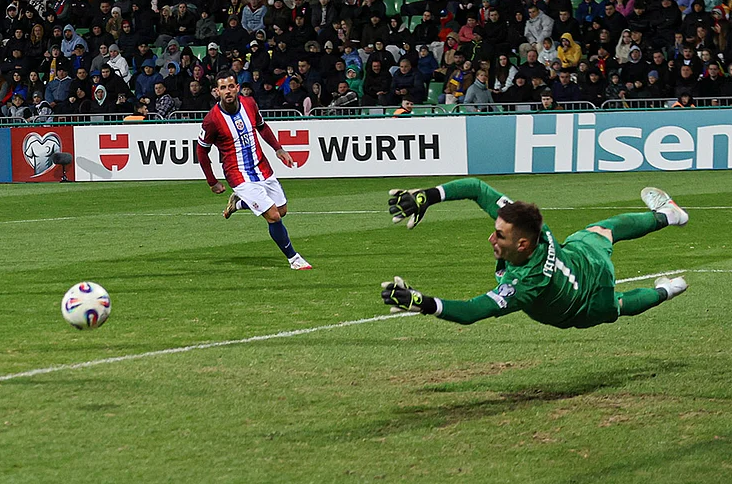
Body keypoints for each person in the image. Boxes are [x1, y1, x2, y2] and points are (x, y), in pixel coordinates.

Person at [382, 179, 689, 328]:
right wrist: (427, 196)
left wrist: (421, 303)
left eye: (500, 235)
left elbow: (472, 311)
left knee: (619, 304)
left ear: (523, 245)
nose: (491, 237)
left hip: (584, 306)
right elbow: (476, 188)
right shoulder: (534, 228)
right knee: (604, 230)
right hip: (581, 258)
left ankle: (666, 290)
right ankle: (668, 216)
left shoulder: (524, 284)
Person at [196, 70, 312, 271]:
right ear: (216, 91)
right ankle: (294, 258)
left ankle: (239, 204)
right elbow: (201, 151)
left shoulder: (249, 103)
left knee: (282, 210)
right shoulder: (212, 120)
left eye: (231, 86)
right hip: (237, 173)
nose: (228, 91)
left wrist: (278, 149)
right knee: (273, 216)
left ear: (237, 88)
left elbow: (262, 126)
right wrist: (212, 181)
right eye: (223, 88)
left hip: (261, 166)